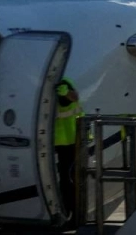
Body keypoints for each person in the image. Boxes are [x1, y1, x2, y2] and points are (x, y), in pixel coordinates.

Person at [54, 77, 82, 227]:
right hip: (66, 142)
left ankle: (74, 216)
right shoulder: (61, 82)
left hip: (69, 142)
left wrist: (64, 92)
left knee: (68, 182)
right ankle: (72, 214)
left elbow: (73, 97)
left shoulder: (61, 85)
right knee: (68, 180)